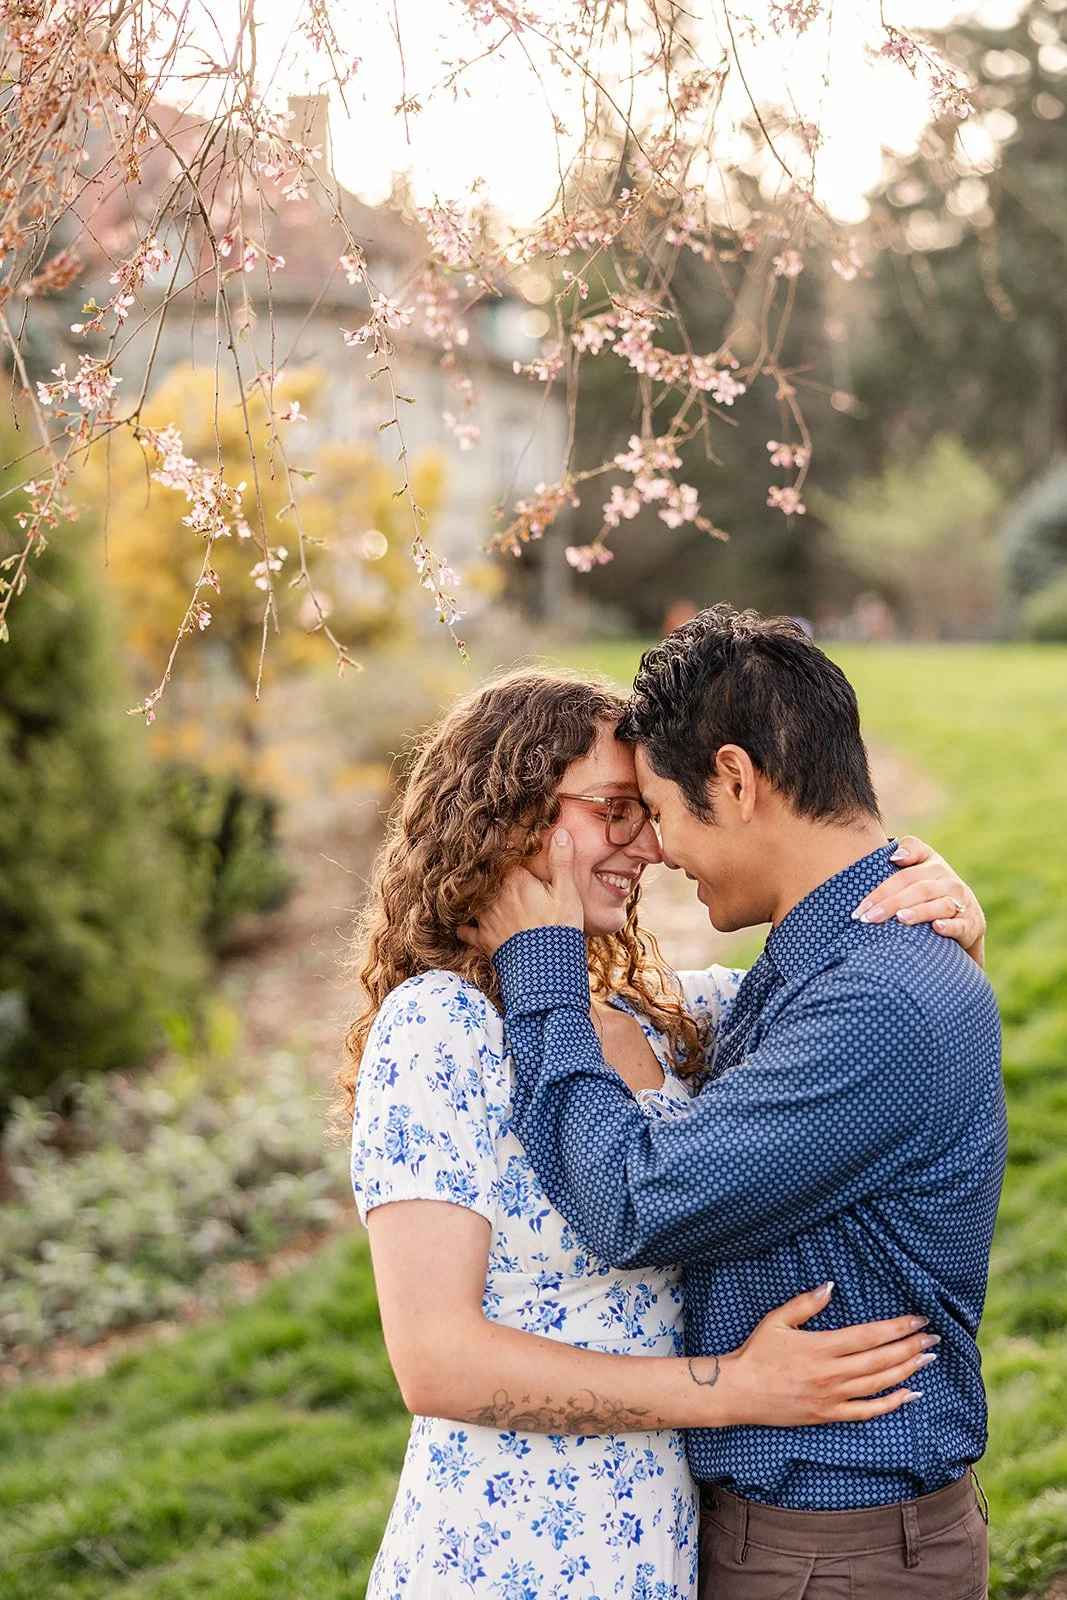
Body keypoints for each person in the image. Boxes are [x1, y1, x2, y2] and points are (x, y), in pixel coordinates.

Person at [337, 667, 989, 1600]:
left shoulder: (660, 1019)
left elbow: (851, 1021)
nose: (647, 845)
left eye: (649, 809)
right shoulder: (438, 1029)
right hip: (508, 1542)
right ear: (515, 815)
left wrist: (943, 917)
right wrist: (731, 1387)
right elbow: (435, 1361)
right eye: (615, 809)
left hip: (661, 1538)